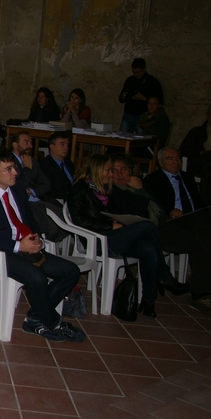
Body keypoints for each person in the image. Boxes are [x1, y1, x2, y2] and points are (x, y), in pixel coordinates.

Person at [0, 150, 85, 342]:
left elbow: (29, 219)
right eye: (8, 169)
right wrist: (17, 246)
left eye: (14, 167)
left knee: (70, 271)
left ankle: (35, 317)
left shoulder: (17, 190)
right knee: (37, 278)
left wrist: (36, 237)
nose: (15, 172)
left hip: (26, 249)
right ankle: (54, 322)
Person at [67, 154, 188, 318]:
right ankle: (164, 276)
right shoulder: (80, 189)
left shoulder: (105, 189)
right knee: (148, 226)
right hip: (97, 239)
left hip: (113, 235)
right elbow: (79, 219)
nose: (111, 174)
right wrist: (110, 225)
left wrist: (121, 220)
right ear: (96, 169)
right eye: (108, 170)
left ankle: (148, 301)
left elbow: (117, 212)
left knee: (148, 248)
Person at [141, 148, 211, 314]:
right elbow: (153, 205)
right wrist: (170, 211)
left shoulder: (187, 178)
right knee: (204, 226)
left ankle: (199, 295)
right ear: (160, 162)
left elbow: (199, 204)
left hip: (194, 224)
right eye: (170, 158)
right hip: (169, 225)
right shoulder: (153, 180)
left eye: (178, 158)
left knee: (201, 237)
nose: (175, 161)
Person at [8, 132, 69, 242]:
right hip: (22, 203)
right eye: (26, 142)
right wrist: (28, 170)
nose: (30, 146)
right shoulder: (8, 161)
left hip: (37, 198)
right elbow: (16, 186)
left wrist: (31, 190)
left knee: (66, 218)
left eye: (31, 142)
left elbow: (46, 184)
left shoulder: (32, 160)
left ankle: (50, 243)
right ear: (15, 145)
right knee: (53, 226)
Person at [118, 57, 163, 133]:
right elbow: (120, 99)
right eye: (134, 72)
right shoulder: (130, 80)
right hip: (128, 114)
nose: (136, 74)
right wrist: (125, 96)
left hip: (142, 115)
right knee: (122, 137)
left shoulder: (152, 82)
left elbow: (159, 100)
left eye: (138, 72)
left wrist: (142, 98)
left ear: (144, 69)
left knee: (142, 139)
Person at [40, 131, 76, 201]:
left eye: (67, 145)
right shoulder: (44, 165)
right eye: (62, 144)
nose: (66, 148)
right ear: (52, 147)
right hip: (57, 200)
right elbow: (49, 190)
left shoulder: (69, 163)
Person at [179, 104, 211, 179]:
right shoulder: (196, 132)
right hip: (200, 163)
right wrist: (199, 152)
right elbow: (184, 149)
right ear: (207, 115)